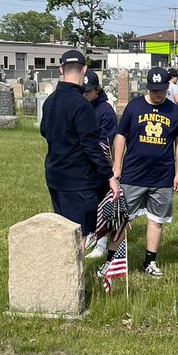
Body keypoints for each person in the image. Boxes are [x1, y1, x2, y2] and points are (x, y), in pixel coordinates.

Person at [104, 66, 178, 279]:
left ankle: (150, 262)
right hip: (133, 174)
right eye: (154, 90)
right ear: (148, 88)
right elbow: (121, 135)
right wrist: (117, 165)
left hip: (162, 176)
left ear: (167, 87)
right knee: (121, 219)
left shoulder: (174, 111)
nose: (158, 94)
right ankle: (111, 261)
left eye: (162, 90)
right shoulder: (134, 107)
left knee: (156, 220)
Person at [39, 49, 119, 237]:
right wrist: (109, 176)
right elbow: (91, 146)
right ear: (84, 70)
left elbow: (44, 131)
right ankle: (75, 268)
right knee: (79, 234)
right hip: (78, 180)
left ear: (61, 70)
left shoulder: (50, 101)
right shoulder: (82, 105)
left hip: (54, 174)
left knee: (63, 231)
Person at [81, 68, 118, 260]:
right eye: (83, 90)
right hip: (82, 165)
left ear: (98, 89)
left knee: (102, 204)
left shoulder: (105, 111)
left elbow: (106, 142)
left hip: (100, 164)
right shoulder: (81, 106)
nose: (85, 93)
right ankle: (89, 234)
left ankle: (102, 243)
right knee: (88, 203)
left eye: (88, 90)